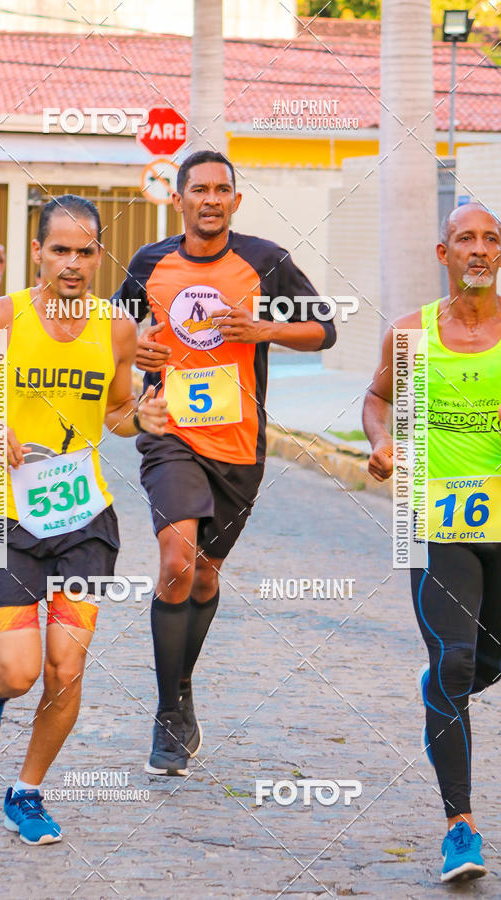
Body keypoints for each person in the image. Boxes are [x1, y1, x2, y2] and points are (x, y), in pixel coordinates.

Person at [0, 194, 167, 845]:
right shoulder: (0, 318)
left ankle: (26, 791)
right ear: (36, 252)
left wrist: (142, 416)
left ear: (98, 257)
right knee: (22, 670)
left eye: (85, 251)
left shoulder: (115, 327)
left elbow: (115, 415)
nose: (72, 263)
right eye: (59, 249)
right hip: (5, 517)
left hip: (84, 518)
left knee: (66, 667)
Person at [113, 150, 336, 776]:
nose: (211, 199)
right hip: (170, 433)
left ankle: (182, 688)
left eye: (222, 190)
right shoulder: (149, 263)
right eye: (199, 189)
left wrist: (262, 329)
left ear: (235, 201)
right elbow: (111, 334)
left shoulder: (265, 261)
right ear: (178, 198)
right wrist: (139, 351)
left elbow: (325, 329)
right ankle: (167, 714)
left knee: (205, 576)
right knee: (177, 561)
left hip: (239, 445)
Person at [363, 202, 501, 883]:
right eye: (465, 238)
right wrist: (384, 442)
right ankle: (461, 829)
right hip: (436, 518)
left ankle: (446, 682)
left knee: (477, 664)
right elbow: (376, 399)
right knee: (453, 661)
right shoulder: (411, 336)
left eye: (491, 239)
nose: (479, 248)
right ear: (442, 254)